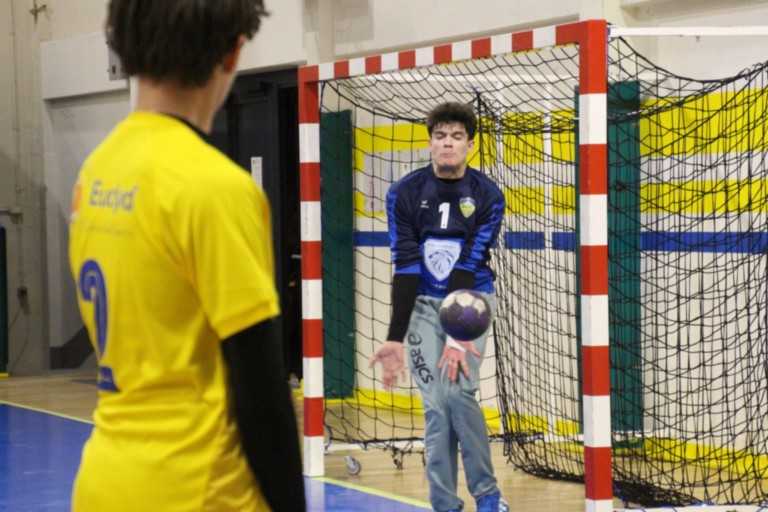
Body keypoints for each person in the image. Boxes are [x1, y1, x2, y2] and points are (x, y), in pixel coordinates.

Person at [68, 1, 304, 511]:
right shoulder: (215, 188)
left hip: (102, 482)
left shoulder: (96, 172)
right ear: (233, 53)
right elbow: (262, 392)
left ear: (121, 42)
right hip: (199, 490)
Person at [370, 102, 508, 512]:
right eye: (440, 136)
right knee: (435, 406)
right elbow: (406, 266)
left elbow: (469, 263)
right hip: (422, 306)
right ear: (430, 142)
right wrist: (394, 338)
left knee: (459, 393)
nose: (448, 143)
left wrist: (457, 336)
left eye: (457, 137)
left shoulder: (488, 196)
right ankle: (445, 504)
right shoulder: (404, 193)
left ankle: (488, 496)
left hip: (471, 302)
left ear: (470, 144)